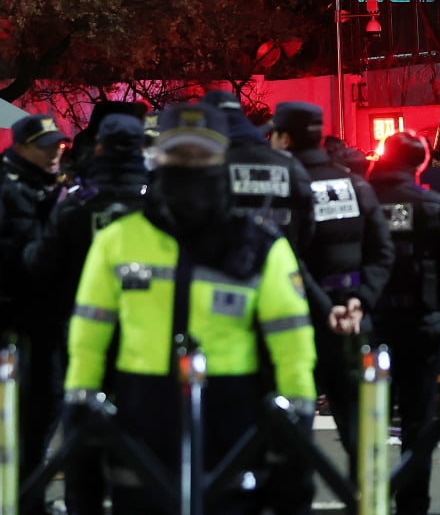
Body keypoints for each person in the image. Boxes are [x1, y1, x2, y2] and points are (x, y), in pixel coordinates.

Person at [63, 102, 317, 515]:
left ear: (222, 161)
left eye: (201, 156)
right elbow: (87, 345)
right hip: (141, 421)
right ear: (157, 157)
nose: (189, 165)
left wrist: (295, 440)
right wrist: (80, 425)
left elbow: (293, 354)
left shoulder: (262, 247)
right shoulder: (117, 240)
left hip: (233, 424)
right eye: (179, 155)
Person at [22, 113, 147, 515]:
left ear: (99, 148)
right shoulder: (157, 200)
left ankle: (82, 504)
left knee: (81, 430)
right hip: (146, 334)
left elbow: (40, 265)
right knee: (142, 431)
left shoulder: (76, 200)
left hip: (84, 332)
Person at [267, 101, 395, 473]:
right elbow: (382, 250)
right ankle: (366, 498)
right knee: (358, 422)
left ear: (284, 138)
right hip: (354, 319)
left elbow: (286, 260)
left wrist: (326, 308)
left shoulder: (283, 188)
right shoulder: (355, 184)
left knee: (292, 424)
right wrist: (360, 300)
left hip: (299, 321)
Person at [368, 131, 440, 515]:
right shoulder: (432, 206)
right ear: (420, 164)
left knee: (368, 423)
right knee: (418, 422)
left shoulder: (364, 201)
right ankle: (413, 505)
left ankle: (368, 497)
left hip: (371, 327)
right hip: (421, 326)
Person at [0, 113, 69, 508]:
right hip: (15, 319)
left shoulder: (52, 188)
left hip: (46, 317)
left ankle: (30, 491)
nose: (54, 153)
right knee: (25, 411)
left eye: (57, 145)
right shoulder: (8, 188)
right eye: (45, 146)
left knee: (45, 407)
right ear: (21, 147)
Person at [201, 90, 315, 252]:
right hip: (281, 266)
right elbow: (308, 225)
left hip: (223, 269)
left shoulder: (206, 167)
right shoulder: (290, 165)